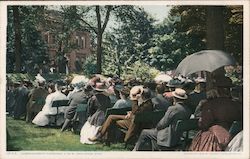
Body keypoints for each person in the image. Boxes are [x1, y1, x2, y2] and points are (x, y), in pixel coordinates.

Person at [189, 77, 243, 151]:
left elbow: (203, 124)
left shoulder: (210, 104)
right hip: (236, 137)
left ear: (217, 89)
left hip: (217, 140)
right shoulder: (238, 104)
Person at [88, 86, 154, 144]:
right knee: (111, 117)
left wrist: (134, 100)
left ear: (142, 95)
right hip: (134, 119)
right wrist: (130, 112)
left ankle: (101, 136)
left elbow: (136, 112)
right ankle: (100, 135)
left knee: (111, 120)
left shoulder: (146, 104)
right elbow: (138, 112)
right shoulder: (148, 102)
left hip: (134, 122)